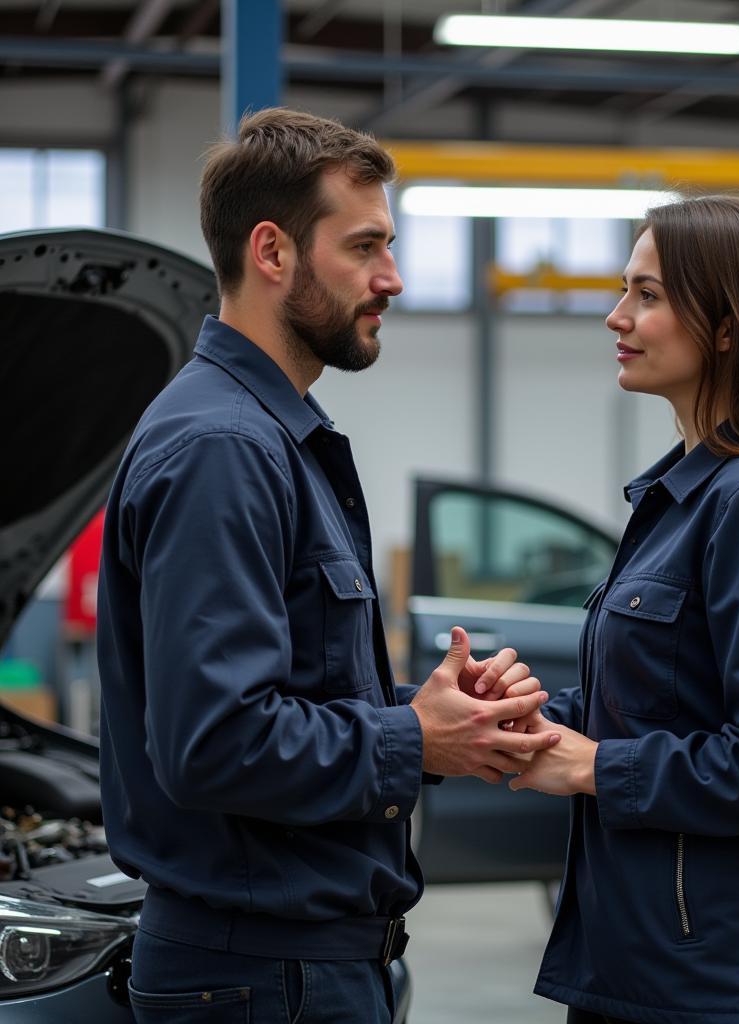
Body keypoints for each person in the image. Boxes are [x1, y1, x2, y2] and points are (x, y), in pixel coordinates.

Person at [95, 107, 560, 1024]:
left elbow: (284, 704)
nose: (391, 277)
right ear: (272, 252)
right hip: (261, 976)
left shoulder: (270, 436)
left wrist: (434, 717)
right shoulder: (224, 448)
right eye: (365, 248)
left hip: (295, 965)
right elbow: (215, 742)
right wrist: (412, 740)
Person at [499, 195, 739, 1024]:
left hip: (725, 982)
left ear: (728, 329)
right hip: (647, 964)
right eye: (626, 289)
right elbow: (655, 709)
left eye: (648, 295)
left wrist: (591, 766)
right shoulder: (679, 497)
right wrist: (524, 719)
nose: (616, 315)